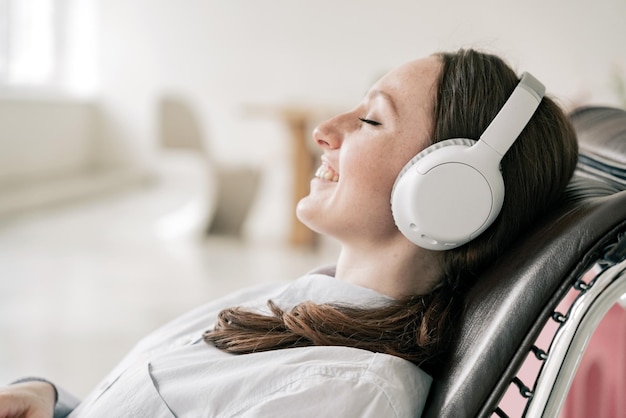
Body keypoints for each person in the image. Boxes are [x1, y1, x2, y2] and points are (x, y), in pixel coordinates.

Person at [0, 48, 579, 417]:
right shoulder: (308, 304)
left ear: (450, 190)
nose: (325, 131)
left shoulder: (346, 396)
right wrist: (49, 402)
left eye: (371, 118)